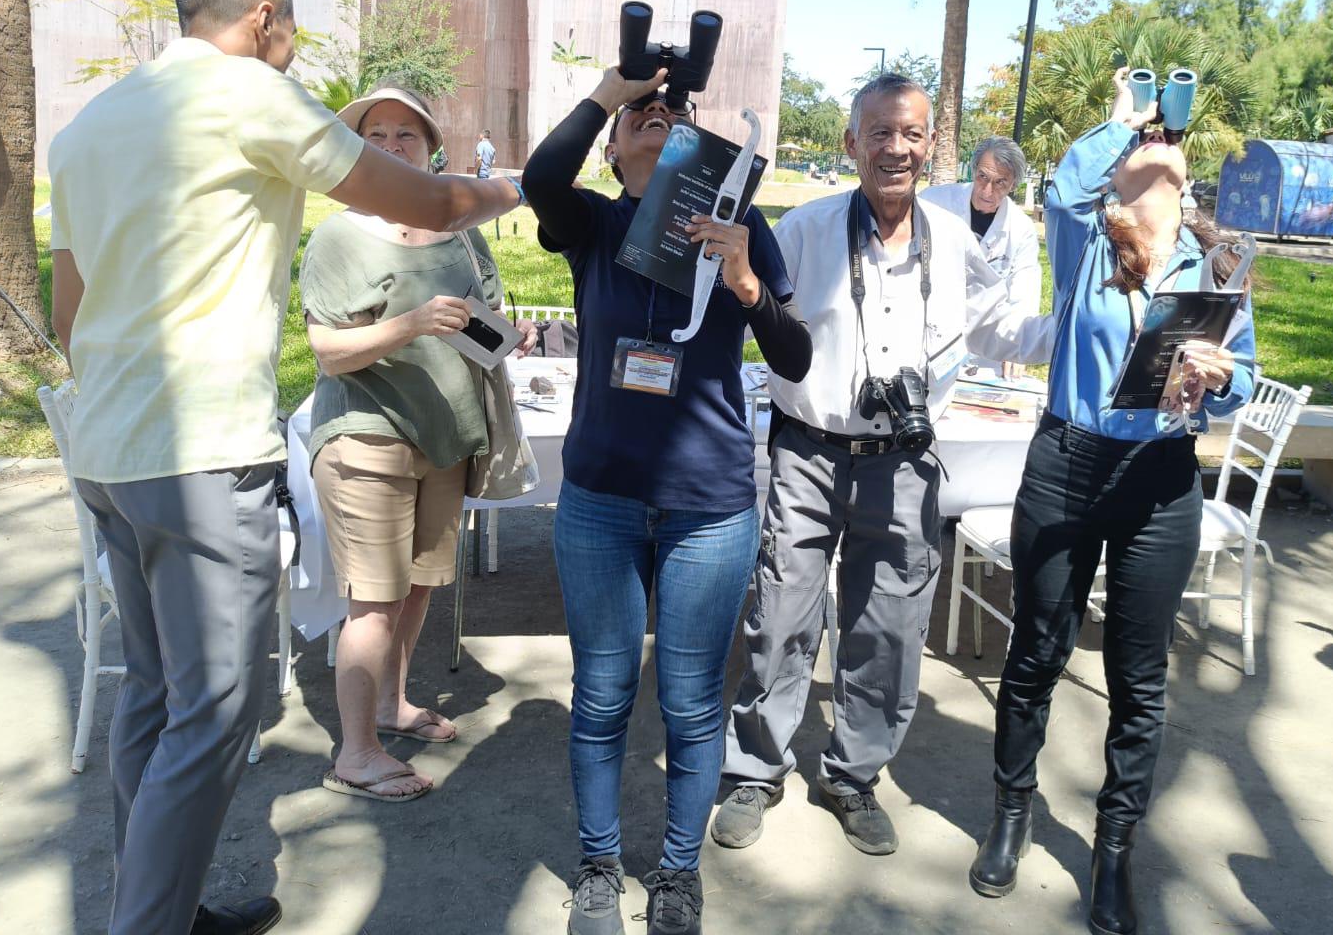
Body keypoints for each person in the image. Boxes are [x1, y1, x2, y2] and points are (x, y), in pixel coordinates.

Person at [48, 0, 523, 935]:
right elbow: (430, 202)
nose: (293, 47)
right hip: (200, 453)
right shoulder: (249, 94)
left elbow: (66, 316)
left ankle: (160, 907)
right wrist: (512, 189)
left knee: (153, 695)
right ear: (263, 19)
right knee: (218, 714)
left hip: (107, 453)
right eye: (291, 28)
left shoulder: (87, 128)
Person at [714, 73, 1052, 859]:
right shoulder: (803, 227)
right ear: (851, 144)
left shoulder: (957, 239)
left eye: (912, 134)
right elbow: (761, 316)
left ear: (931, 145)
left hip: (904, 463)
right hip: (808, 450)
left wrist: (1087, 327)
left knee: (890, 628)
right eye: (880, 133)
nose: (896, 148)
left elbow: (1004, 331)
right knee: (782, 616)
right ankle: (756, 771)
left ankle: (852, 776)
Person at [522, 68, 812, 935]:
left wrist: (747, 282)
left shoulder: (741, 224)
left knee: (690, 703)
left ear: (697, 142)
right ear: (613, 153)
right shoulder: (596, 225)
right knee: (603, 695)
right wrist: (611, 89)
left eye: (672, 109)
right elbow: (540, 179)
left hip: (709, 508)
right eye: (637, 117)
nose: (657, 115)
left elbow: (793, 360)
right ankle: (601, 866)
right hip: (602, 499)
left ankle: (679, 874)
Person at [968, 68, 1256, 935]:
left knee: (1139, 682)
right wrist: (1122, 122)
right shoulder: (1084, 242)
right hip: (1067, 464)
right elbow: (1061, 182)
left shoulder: (1219, 266)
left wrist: (1221, 378)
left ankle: (1114, 848)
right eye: (1141, 147)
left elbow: (1239, 383)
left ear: (1189, 171)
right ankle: (1011, 815)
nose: (1154, 147)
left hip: (1162, 481)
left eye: (1169, 138)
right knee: (1036, 654)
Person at [301, 82, 535, 804]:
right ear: (357, 149)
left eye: (408, 135)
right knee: (372, 600)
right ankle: (357, 753)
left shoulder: (459, 229)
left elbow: (484, 318)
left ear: (431, 148)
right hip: (367, 440)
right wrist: (409, 325)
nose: (393, 146)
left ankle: (392, 706)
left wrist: (507, 335)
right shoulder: (341, 235)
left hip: (449, 436)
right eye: (378, 134)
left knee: (419, 585)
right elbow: (328, 351)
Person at [923, 137, 1042, 374]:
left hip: (988, 347)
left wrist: (1018, 348)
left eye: (1000, 182)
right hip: (930, 333)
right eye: (983, 177)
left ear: (1013, 185)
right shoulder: (932, 203)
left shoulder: (1021, 229)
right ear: (973, 170)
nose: (988, 191)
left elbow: (1024, 293)